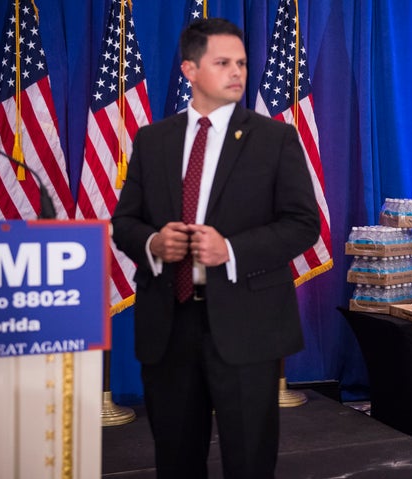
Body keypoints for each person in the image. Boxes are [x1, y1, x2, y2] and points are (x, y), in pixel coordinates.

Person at [111, 17, 320, 479]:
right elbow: (124, 223)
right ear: (189, 69)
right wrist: (152, 241)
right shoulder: (152, 140)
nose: (237, 73)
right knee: (176, 459)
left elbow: (304, 224)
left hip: (248, 325)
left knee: (249, 459)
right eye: (223, 62)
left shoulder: (275, 140)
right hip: (169, 326)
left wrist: (233, 249)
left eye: (242, 63)